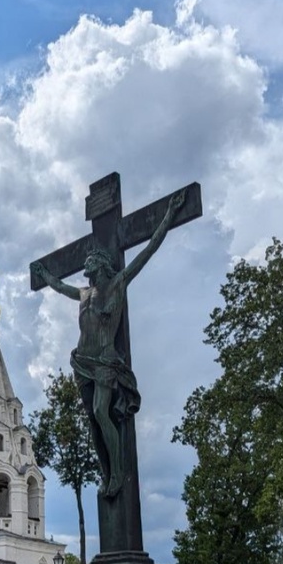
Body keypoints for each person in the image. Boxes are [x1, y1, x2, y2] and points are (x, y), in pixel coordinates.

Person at [45, 191, 185, 498]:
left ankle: (118, 472)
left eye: (91, 262)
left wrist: (167, 217)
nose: (87, 265)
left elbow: (147, 251)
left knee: (100, 411)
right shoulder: (82, 294)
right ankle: (107, 473)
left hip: (106, 361)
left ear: (102, 265)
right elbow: (58, 286)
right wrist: (44, 275)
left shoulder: (118, 282)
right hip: (82, 362)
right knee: (92, 421)